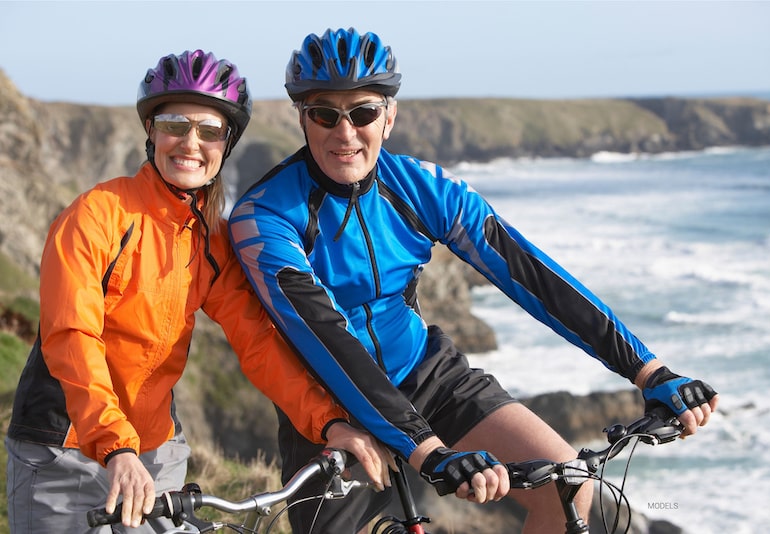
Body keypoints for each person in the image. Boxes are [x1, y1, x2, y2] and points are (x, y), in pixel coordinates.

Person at [229, 28, 720, 534]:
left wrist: (649, 371)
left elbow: (532, 277)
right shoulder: (264, 217)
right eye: (325, 113)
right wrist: (428, 452)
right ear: (303, 119)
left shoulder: (423, 188)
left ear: (389, 117)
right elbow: (327, 337)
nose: (345, 131)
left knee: (571, 482)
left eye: (363, 112)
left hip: (429, 376)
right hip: (331, 407)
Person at [4, 49, 391, 534]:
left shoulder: (210, 239)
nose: (191, 142)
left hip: (157, 453)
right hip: (66, 450)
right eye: (174, 124)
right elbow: (71, 336)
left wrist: (329, 423)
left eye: (209, 131)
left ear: (225, 144)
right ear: (151, 131)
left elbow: (258, 341)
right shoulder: (96, 215)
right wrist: (116, 446)